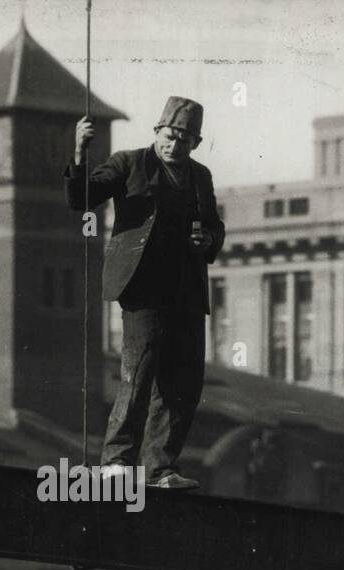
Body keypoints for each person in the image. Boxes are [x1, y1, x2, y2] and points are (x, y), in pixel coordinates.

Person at [65, 95, 225, 490]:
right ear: (157, 132)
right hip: (143, 289)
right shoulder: (128, 162)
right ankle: (116, 461)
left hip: (186, 292)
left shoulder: (200, 177)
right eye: (171, 135)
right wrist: (80, 151)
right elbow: (81, 199)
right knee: (138, 373)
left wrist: (208, 239)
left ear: (196, 144)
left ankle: (159, 469)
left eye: (186, 139)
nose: (176, 145)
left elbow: (214, 228)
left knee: (182, 382)